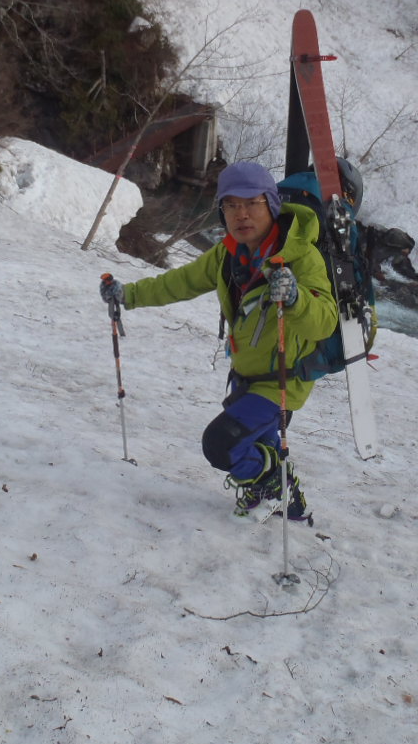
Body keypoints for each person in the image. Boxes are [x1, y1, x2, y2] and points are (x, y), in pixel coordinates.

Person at [99, 161, 338, 524]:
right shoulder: (229, 254)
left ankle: (269, 481)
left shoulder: (301, 256)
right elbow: (178, 283)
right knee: (260, 444)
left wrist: (294, 299)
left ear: (271, 204)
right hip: (246, 375)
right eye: (230, 205)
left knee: (221, 445)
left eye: (251, 203)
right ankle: (292, 507)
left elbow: (325, 321)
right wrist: (127, 295)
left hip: (284, 380)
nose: (241, 214)